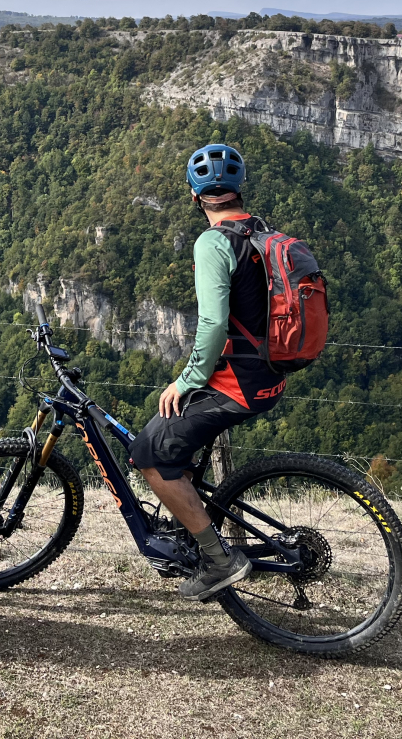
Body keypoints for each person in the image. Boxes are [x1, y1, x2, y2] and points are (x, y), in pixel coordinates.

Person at [129, 143, 286, 600]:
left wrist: (189, 378)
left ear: (194, 197)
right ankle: (197, 532)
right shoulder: (259, 232)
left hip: (236, 383)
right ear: (237, 191)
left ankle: (220, 561)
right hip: (267, 374)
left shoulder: (214, 242)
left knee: (149, 455)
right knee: (169, 442)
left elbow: (215, 323)